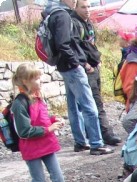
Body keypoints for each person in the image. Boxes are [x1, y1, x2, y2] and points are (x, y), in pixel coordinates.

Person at [7, 63, 78, 182]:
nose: (41, 80)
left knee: (59, 179)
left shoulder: (38, 96)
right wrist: (48, 128)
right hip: (32, 149)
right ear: (25, 81)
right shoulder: (19, 104)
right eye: (37, 78)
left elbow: (43, 118)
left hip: (47, 145)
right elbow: (24, 132)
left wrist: (54, 120)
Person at [43, 0, 113, 154]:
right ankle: (96, 143)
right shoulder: (62, 15)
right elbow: (63, 44)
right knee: (89, 106)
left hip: (64, 65)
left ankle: (80, 142)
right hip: (71, 66)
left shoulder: (53, 12)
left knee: (73, 106)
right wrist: (77, 63)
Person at [72, 0, 121, 146]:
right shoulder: (75, 24)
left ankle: (93, 133)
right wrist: (86, 64)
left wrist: (97, 61)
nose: (87, 10)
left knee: (93, 102)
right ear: (76, 8)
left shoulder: (87, 23)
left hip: (94, 67)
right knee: (94, 103)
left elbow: (90, 44)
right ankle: (104, 134)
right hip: (86, 70)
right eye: (83, 7)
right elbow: (74, 47)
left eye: (89, 7)